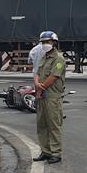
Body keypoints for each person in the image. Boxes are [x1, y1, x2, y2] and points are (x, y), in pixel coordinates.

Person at [32, 31, 66, 164]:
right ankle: (45, 151)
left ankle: (56, 153)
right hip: (41, 96)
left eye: (48, 42)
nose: (45, 44)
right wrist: (36, 84)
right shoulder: (43, 58)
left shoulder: (58, 59)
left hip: (52, 97)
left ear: (54, 43)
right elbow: (37, 73)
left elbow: (53, 77)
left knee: (53, 125)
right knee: (42, 125)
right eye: (43, 42)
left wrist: (41, 88)